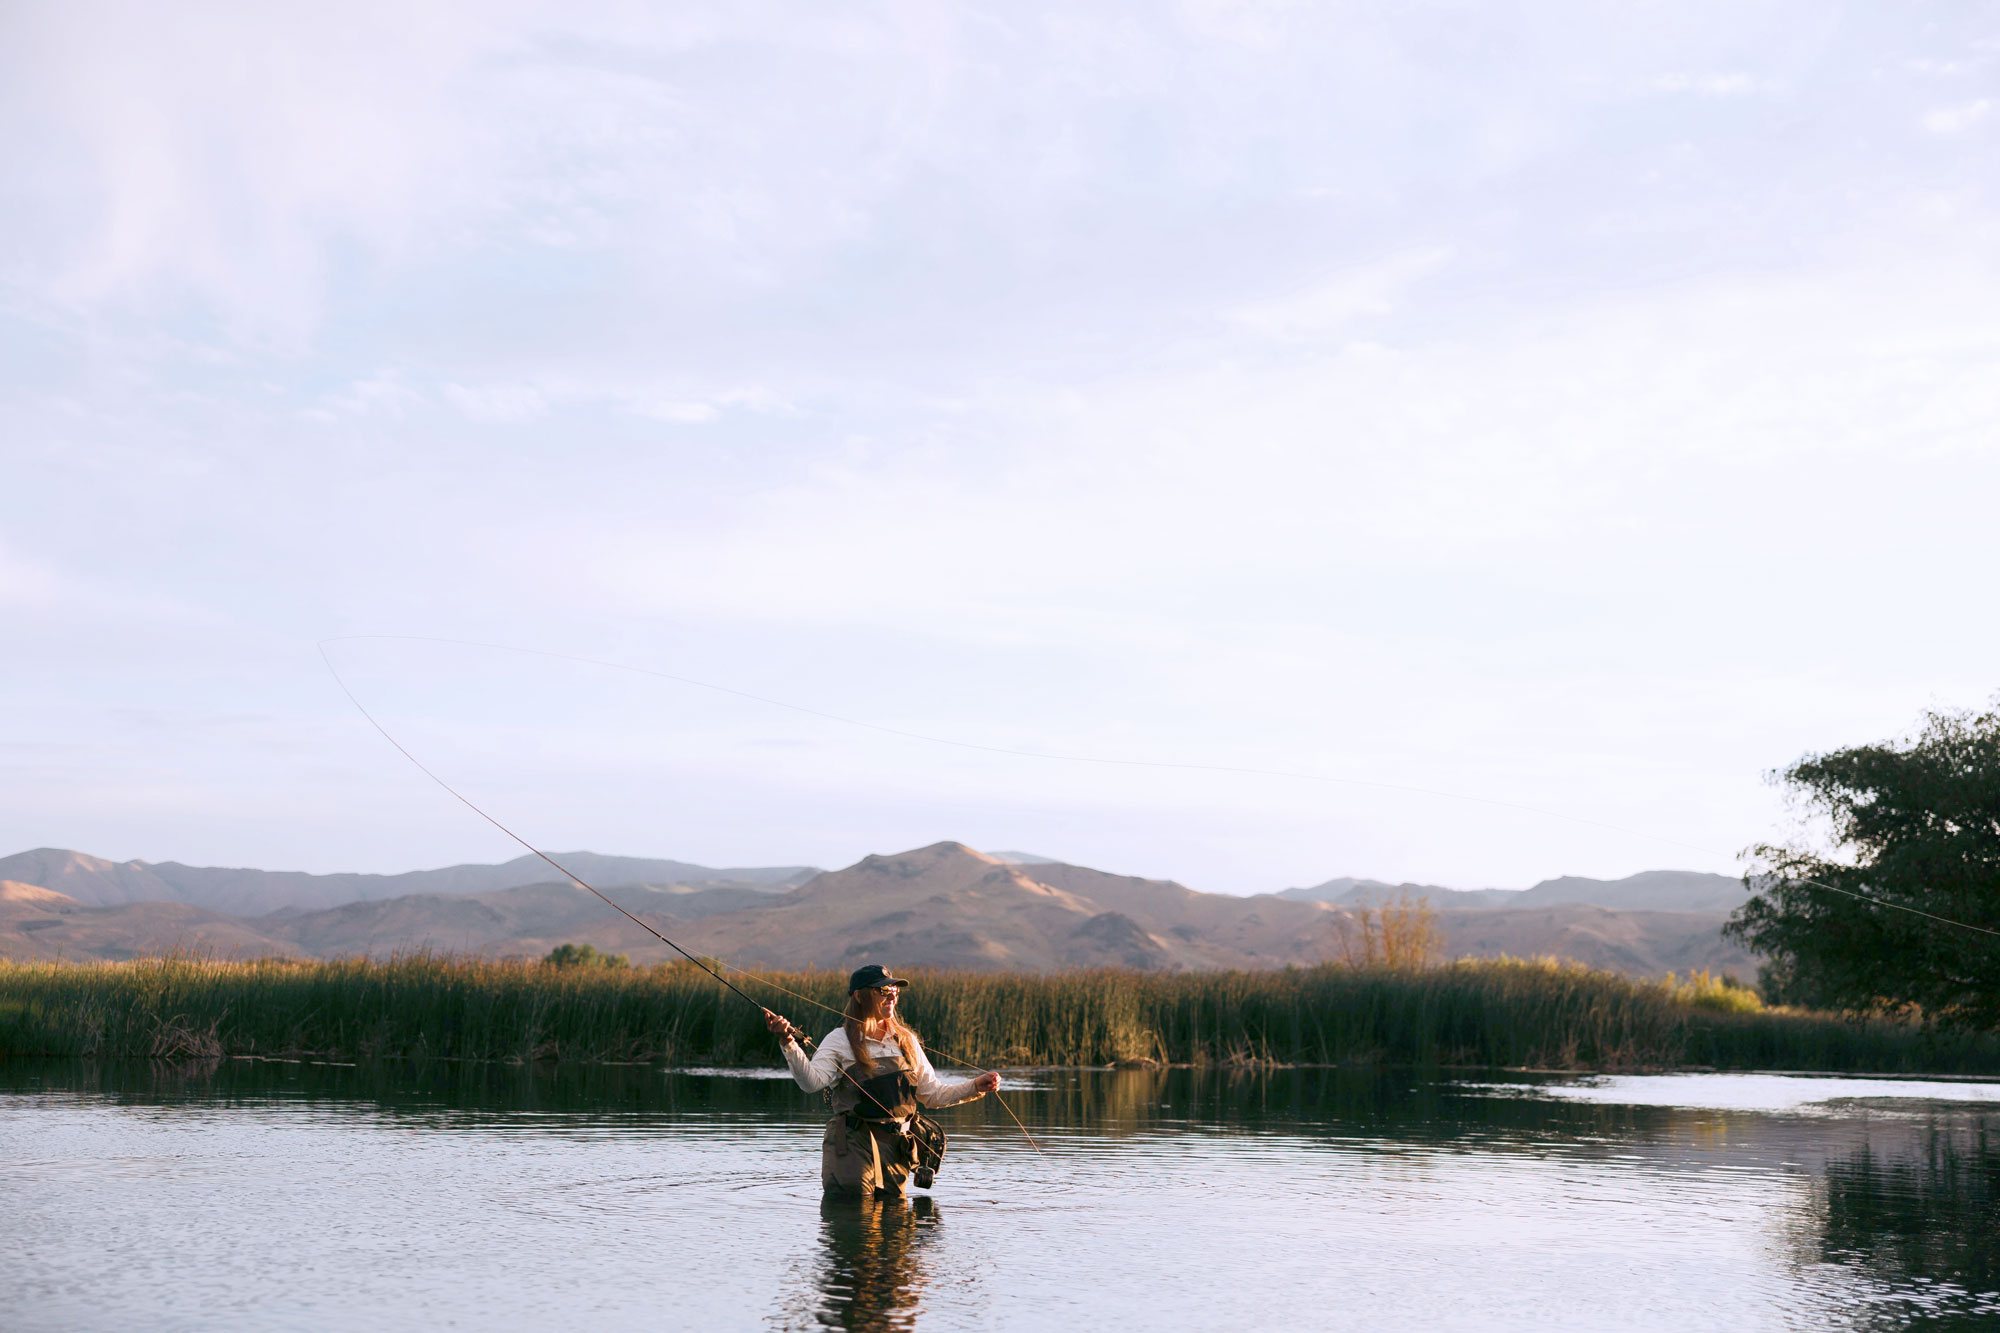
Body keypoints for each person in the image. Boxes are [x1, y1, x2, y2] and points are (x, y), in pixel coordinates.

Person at [766, 964, 1001, 1196]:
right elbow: (811, 1083)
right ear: (859, 995)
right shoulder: (838, 1040)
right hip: (851, 1149)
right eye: (883, 991)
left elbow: (933, 1095)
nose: (892, 997)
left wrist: (975, 1086)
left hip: (896, 1150)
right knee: (856, 1222)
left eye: (895, 991)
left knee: (896, 1230)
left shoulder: (906, 1041)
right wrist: (788, 1043)